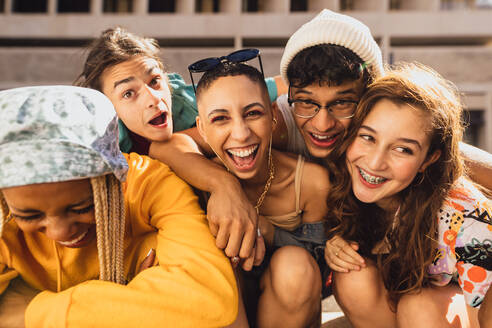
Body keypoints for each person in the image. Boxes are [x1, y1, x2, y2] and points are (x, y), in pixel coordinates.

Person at [150, 8, 492, 273]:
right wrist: (224, 185)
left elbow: (460, 158)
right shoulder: (278, 122)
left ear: (369, 98)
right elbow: (169, 145)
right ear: (290, 97)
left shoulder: (390, 130)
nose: (322, 124)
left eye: (343, 103)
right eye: (307, 103)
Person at [0, 85, 237, 327]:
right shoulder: (1, 216)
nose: (59, 231)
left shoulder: (146, 183)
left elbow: (211, 299)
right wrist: (140, 299)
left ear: (113, 177)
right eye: (28, 215)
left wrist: (33, 311)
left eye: (82, 208)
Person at [75, 28, 286, 267]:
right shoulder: (108, 150)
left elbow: (277, 86)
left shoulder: (189, 99)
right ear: (106, 107)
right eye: (128, 93)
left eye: (154, 81)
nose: (153, 98)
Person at [323, 62, 492, 327]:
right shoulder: (338, 177)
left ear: (429, 159)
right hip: (405, 300)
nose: (375, 162)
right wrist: (336, 244)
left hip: (464, 307)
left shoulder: (466, 218)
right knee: (352, 273)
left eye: (403, 149)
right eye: (368, 137)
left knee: (419, 306)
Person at [194, 60, 331, 327]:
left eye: (253, 114)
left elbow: (314, 270)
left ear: (273, 116)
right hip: (221, 309)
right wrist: (224, 186)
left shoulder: (312, 182)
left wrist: (265, 231)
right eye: (220, 119)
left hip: (290, 310)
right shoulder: (194, 180)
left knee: (295, 266)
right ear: (201, 129)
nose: (241, 133)